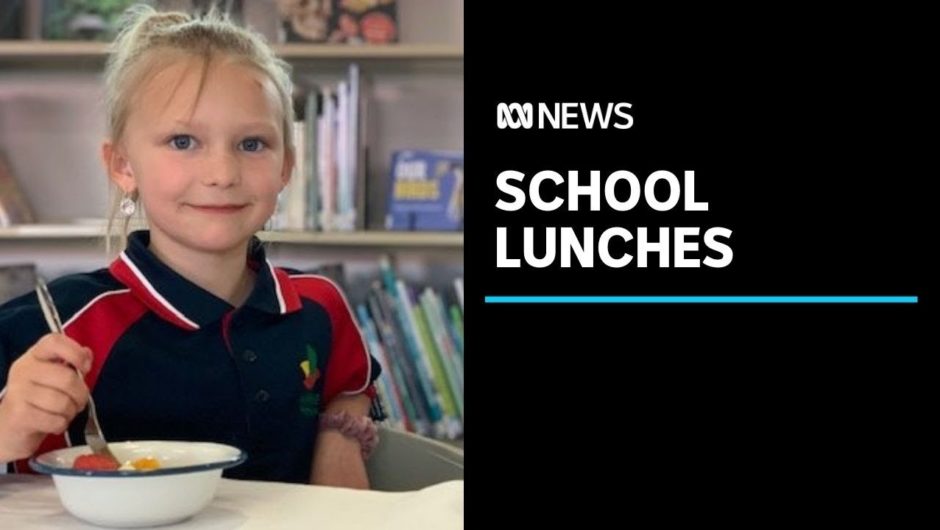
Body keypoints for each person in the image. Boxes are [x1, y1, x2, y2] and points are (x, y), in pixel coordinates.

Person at [0, 4, 382, 489]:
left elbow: (350, 387)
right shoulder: (51, 323)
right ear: (123, 165)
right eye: (183, 141)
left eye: (251, 144)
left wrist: (339, 432)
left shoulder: (320, 306)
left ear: (287, 166)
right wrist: (5, 431)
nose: (221, 175)